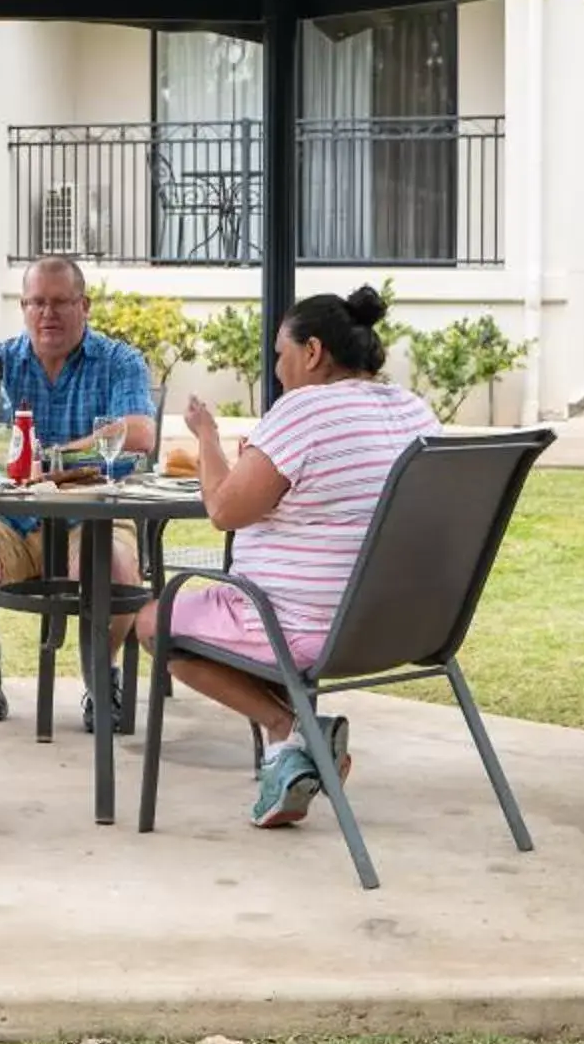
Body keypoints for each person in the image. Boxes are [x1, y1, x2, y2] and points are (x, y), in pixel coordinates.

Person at [133, 285, 434, 829]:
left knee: (157, 623)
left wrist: (207, 439)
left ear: (313, 352)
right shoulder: (413, 409)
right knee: (230, 618)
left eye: (280, 354)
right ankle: (283, 764)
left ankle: (289, 726)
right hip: (398, 625)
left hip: (301, 625)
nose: (277, 369)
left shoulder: (303, 410)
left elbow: (224, 510)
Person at [0, 256, 157, 723]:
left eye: (61, 302)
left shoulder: (118, 360)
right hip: (6, 516)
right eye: (37, 302)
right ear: (24, 307)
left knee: (117, 571)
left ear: (84, 305)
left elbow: (140, 433)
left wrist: (55, 459)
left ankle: (100, 673)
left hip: (92, 513)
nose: (48, 313)